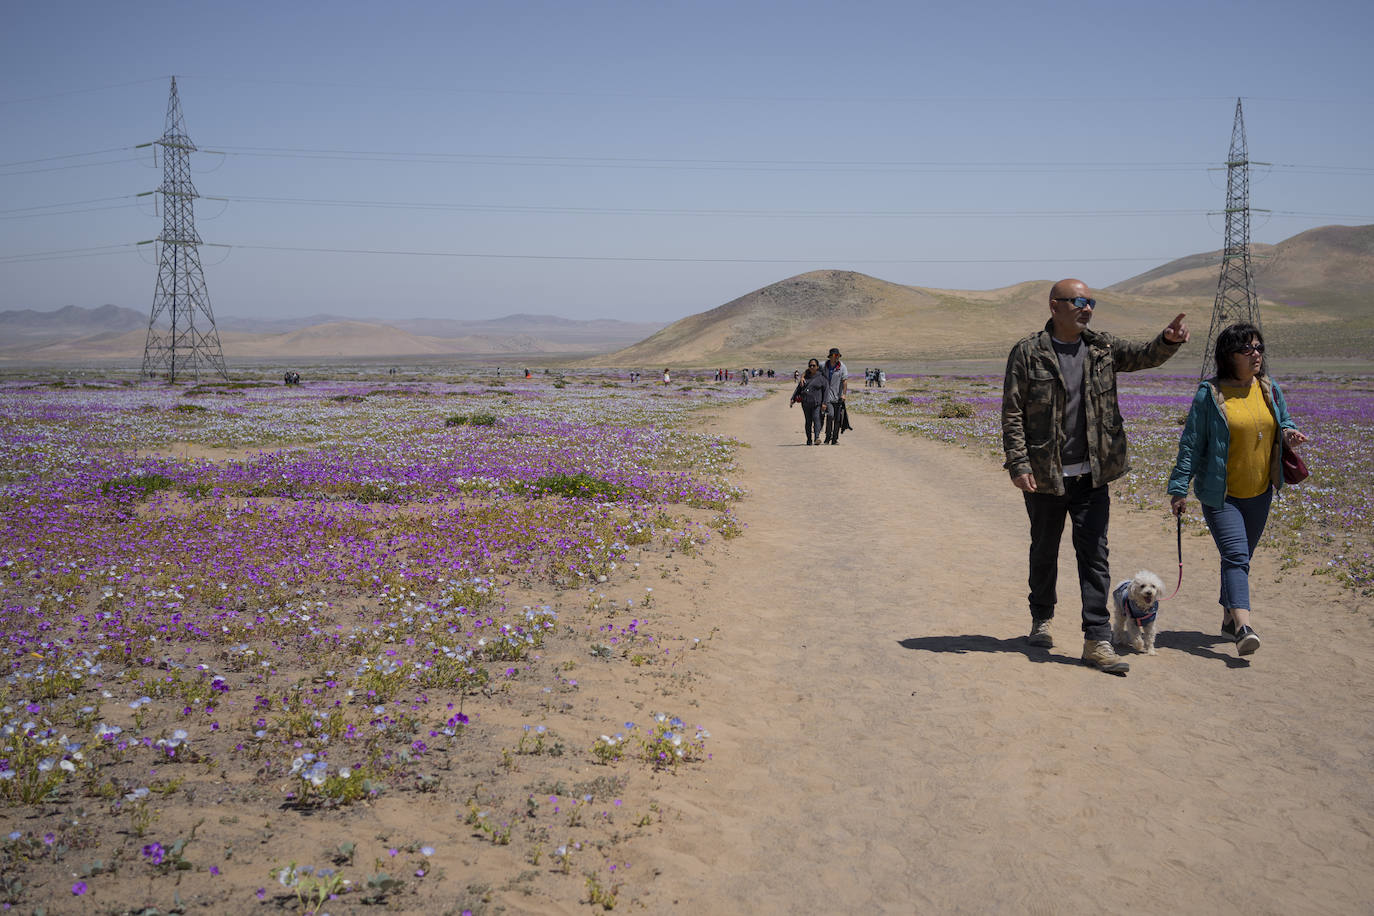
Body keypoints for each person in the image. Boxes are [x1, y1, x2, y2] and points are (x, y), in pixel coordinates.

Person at [1001, 278, 1189, 674]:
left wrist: (1167, 341)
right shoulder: (1028, 353)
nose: (1087, 309)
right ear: (1055, 306)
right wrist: (1018, 464)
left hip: (1093, 474)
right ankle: (1042, 618)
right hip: (1045, 475)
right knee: (1044, 550)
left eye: (1091, 302)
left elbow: (1142, 356)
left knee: (1095, 557)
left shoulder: (1101, 347)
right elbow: (1012, 411)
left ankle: (1097, 639)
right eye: (1079, 302)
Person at [1167, 322, 1306, 657]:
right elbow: (1191, 444)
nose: (1255, 354)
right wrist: (1179, 488)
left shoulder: (1269, 389)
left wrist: (1289, 434)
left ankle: (1229, 619)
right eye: (1247, 349)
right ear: (1229, 356)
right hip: (1221, 495)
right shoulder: (1209, 394)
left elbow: (1282, 420)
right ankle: (1244, 627)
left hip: (1259, 491)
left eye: (1258, 347)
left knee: (1241, 559)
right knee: (1236, 557)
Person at [790, 358, 828, 445]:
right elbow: (798, 389)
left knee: (816, 419)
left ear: (817, 367)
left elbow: (826, 391)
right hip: (806, 403)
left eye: (814, 365)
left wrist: (824, 403)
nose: (812, 367)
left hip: (817, 403)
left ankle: (817, 437)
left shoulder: (822, 378)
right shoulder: (804, 378)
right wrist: (793, 399)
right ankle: (809, 439)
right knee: (808, 421)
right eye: (810, 365)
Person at [820, 347, 848, 445]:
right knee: (830, 415)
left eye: (838, 356)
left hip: (838, 396)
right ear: (830, 356)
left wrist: (844, 394)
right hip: (827, 396)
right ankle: (827, 437)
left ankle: (834, 439)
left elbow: (845, 381)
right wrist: (803, 376)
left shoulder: (842, 367)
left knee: (837, 419)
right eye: (835, 356)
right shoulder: (823, 365)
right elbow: (812, 368)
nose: (837, 358)